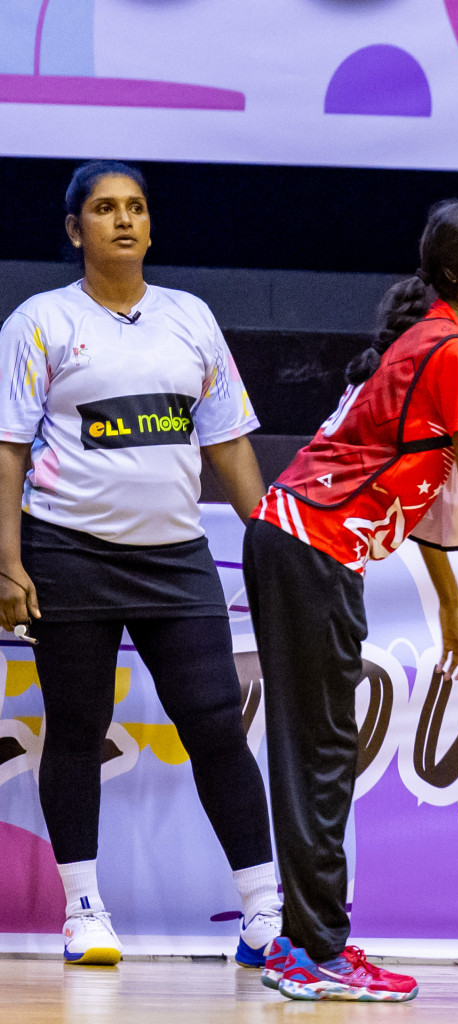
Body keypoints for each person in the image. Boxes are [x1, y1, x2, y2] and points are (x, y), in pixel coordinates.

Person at [246, 197, 458, 1003]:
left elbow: (427, 487)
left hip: (296, 546)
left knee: (319, 756)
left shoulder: (425, 342)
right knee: (319, 759)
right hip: (308, 551)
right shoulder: (450, 351)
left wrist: (451, 601)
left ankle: (301, 938)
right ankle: (310, 950)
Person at [0, 160, 280, 967]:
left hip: (178, 562)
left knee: (218, 726)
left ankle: (263, 911)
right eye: (103, 209)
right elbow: (9, 450)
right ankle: (84, 909)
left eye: (135, 208)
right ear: (73, 230)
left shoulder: (190, 317)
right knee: (78, 730)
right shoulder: (39, 321)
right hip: (68, 553)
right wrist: (8, 561)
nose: (122, 220)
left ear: (151, 227)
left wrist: (266, 540)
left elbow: (226, 440)